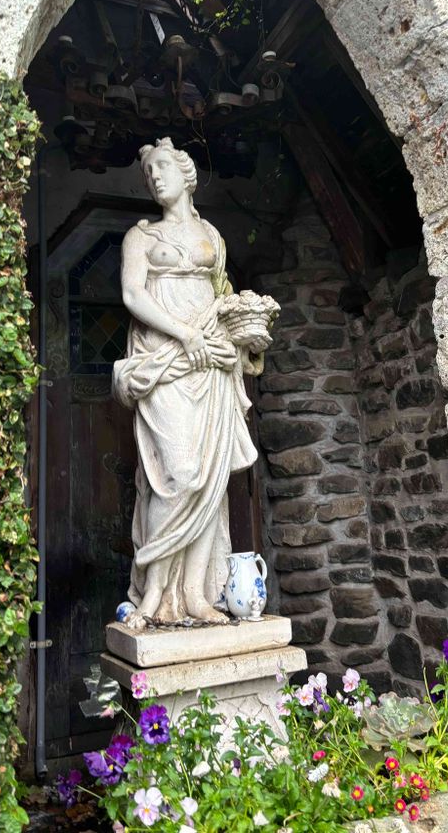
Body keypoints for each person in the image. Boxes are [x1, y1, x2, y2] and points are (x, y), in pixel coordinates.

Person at [113, 137, 259, 629]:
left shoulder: (211, 235)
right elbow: (133, 295)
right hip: (165, 360)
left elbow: (223, 296)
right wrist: (184, 334)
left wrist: (240, 337)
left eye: (162, 168)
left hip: (210, 362)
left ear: (186, 173)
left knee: (211, 481)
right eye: (148, 173)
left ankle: (196, 594)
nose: (154, 177)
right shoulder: (141, 237)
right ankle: (154, 593)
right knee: (178, 474)